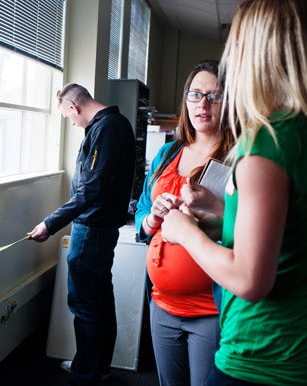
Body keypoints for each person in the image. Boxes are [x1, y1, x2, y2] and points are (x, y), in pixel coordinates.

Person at [161, 0, 307, 385]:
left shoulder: (266, 140)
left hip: (262, 354)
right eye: (195, 94)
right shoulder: (297, 130)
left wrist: (184, 231)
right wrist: (220, 222)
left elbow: (249, 278)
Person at [134, 59, 234, 386]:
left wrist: (213, 209)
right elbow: (142, 216)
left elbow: (249, 228)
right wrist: (153, 217)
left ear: (230, 100)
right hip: (161, 304)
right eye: (195, 94)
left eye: (214, 96)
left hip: (210, 309)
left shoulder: (238, 157)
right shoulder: (168, 153)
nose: (203, 104)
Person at [29, 83, 135, 385]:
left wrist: (50, 224)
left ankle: (86, 372)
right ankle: (95, 365)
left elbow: (91, 189)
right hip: (97, 228)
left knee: (85, 302)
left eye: (68, 117)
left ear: (74, 107)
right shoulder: (113, 125)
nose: (71, 122)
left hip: (92, 230)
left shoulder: (107, 128)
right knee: (99, 298)